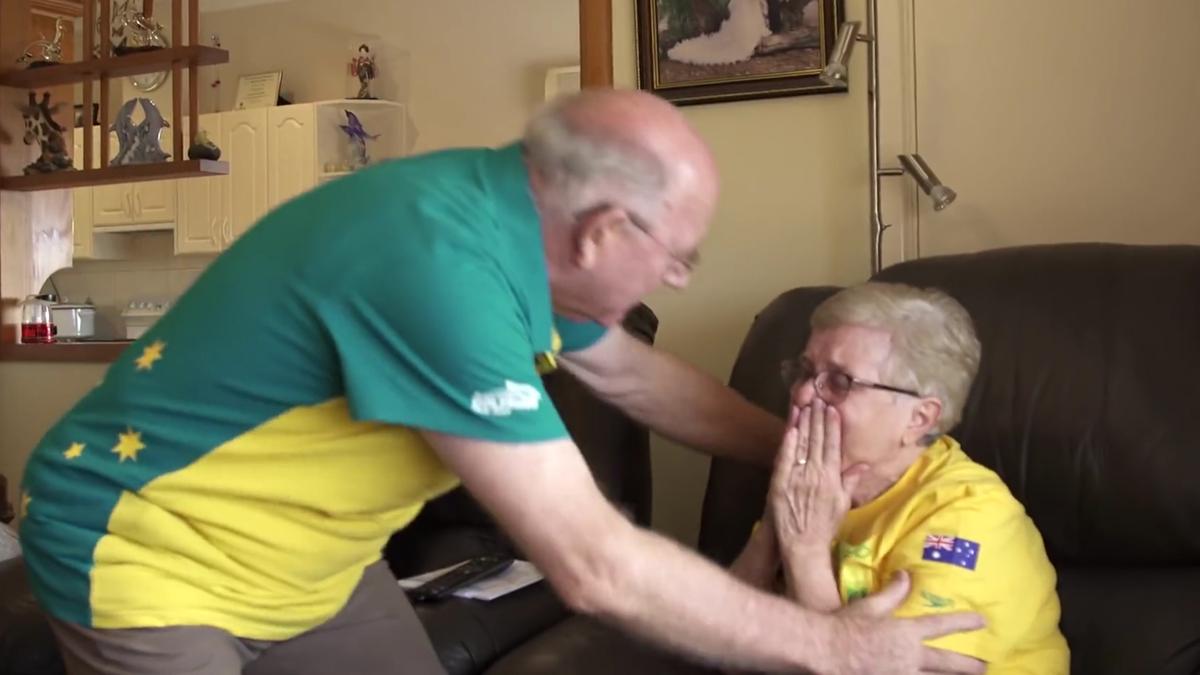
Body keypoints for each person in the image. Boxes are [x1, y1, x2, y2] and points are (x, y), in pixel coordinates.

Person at [19, 90, 983, 675]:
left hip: (308, 565)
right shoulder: (439, 270)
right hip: (146, 544)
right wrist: (836, 649)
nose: (675, 278)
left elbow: (639, 380)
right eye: (679, 259)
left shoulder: (519, 221)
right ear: (604, 231)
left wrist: (797, 451)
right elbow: (594, 563)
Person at [732, 282, 1069, 673]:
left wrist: (805, 553)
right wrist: (773, 532)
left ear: (919, 418)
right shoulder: (810, 488)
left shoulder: (971, 519)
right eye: (805, 372)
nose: (804, 395)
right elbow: (720, 645)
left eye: (840, 382)